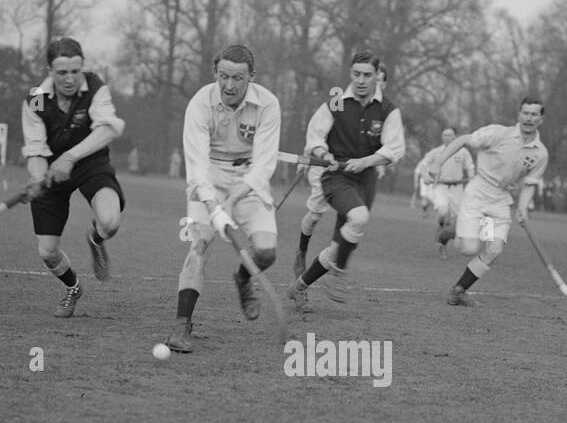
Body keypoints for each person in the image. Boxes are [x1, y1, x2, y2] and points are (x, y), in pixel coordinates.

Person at [164, 43, 281, 354]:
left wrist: (230, 203)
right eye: (224, 77)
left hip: (248, 181)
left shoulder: (268, 105)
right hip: (208, 179)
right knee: (199, 243)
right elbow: (197, 165)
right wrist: (213, 204)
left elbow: (264, 166)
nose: (229, 86)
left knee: (267, 253)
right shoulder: (199, 103)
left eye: (238, 79)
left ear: (251, 77)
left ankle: (243, 279)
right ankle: (181, 325)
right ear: (214, 72)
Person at [284, 50, 405, 311]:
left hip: (366, 179)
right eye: (356, 74)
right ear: (350, 74)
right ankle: (334, 269)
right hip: (335, 175)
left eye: (368, 75)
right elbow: (315, 135)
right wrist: (322, 152)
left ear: (377, 77)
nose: (361, 80)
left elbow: (394, 149)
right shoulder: (337, 101)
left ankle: (300, 286)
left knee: (342, 243)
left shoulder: (387, 110)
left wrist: (366, 161)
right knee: (357, 218)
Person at [20, 37, 126, 317]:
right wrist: (37, 178)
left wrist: (69, 158)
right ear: (49, 71)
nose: (70, 79)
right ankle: (73, 288)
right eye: (62, 72)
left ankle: (96, 238)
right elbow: (35, 149)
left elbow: (108, 129)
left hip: (90, 162)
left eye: (75, 71)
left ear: (82, 68)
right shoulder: (37, 101)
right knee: (47, 251)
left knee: (111, 222)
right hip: (52, 170)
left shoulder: (94, 87)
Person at [427, 98, 549, 306]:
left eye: (534, 114)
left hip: (502, 198)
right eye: (526, 113)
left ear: (541, 119)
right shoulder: (498, 133)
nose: (529, 118)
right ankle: (453, 229)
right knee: (469, 249)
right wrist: (439, 162)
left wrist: (522, 208)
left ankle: (458, 291)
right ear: (519, 115)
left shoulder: (541, 153)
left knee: (494, 249)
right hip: (479, 190)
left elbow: (529, 184)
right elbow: (464, 139)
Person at [417, 125, 475, 258]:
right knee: (442, 212)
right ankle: (441, 224)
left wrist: (472, 178)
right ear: (441, 137)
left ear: (455, 137)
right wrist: (425, 175)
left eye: (450, 135)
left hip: (457, 189)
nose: (447, 137)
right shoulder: (436, 152)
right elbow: (423, 164)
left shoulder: (463, 152)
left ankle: (443, 241)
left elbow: (470, 167)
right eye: (445, 135)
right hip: (441, 188)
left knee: (457, 223)